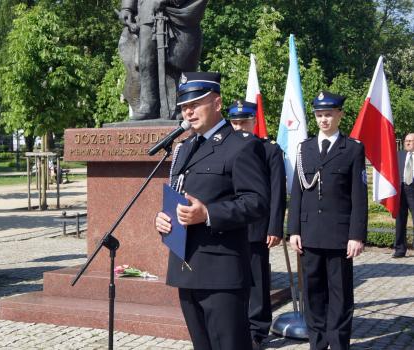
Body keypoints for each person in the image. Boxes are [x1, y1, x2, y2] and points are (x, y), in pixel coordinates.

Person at [155, 72, 269, 349]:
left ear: (217, 104)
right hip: (186, 265)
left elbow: (257, 202)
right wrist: (164, 219)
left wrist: (208, 214)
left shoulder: (242, 145)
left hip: (222, 271)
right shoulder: (185, 149)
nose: (188, 111)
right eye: (184, 106)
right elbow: (182, 195)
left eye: (196, 104)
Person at [288, 91, 368, 350]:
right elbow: (297, 193)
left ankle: (339, 343)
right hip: (309, 235)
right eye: (319, 115)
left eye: (328, 115)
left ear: (339, 115)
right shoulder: (305, 148)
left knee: (340, 295)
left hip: (339, 237)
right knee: (313, 294)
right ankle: (318, 343)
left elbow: (359, 196)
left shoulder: (353, 149)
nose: (324, 120)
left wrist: (356, 235)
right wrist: (294, 230)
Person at [227, 99, 286, 349]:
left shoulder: (268, 150)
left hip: (256, 228)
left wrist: (274, 227)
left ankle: (258, 331)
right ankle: (236, 326)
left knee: (258, 280)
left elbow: (277, 191)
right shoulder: (224, 148)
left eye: (244, 122)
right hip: (229, 225)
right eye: (235, 122)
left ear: (254, 121)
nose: (239, 127)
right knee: (231, 278)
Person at [118, 0, 208, 119]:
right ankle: (148, 105)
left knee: (178, 60)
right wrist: (127, 8)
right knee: (145, 60)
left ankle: (177, 105)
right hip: (146, 11)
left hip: (179, 10)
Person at [393, 133, 414, 258]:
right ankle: (400, 249)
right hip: (400, 190)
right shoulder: (398, 155)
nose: (407, 143)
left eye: (411, 141)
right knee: (400, 221)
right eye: (406, 140)